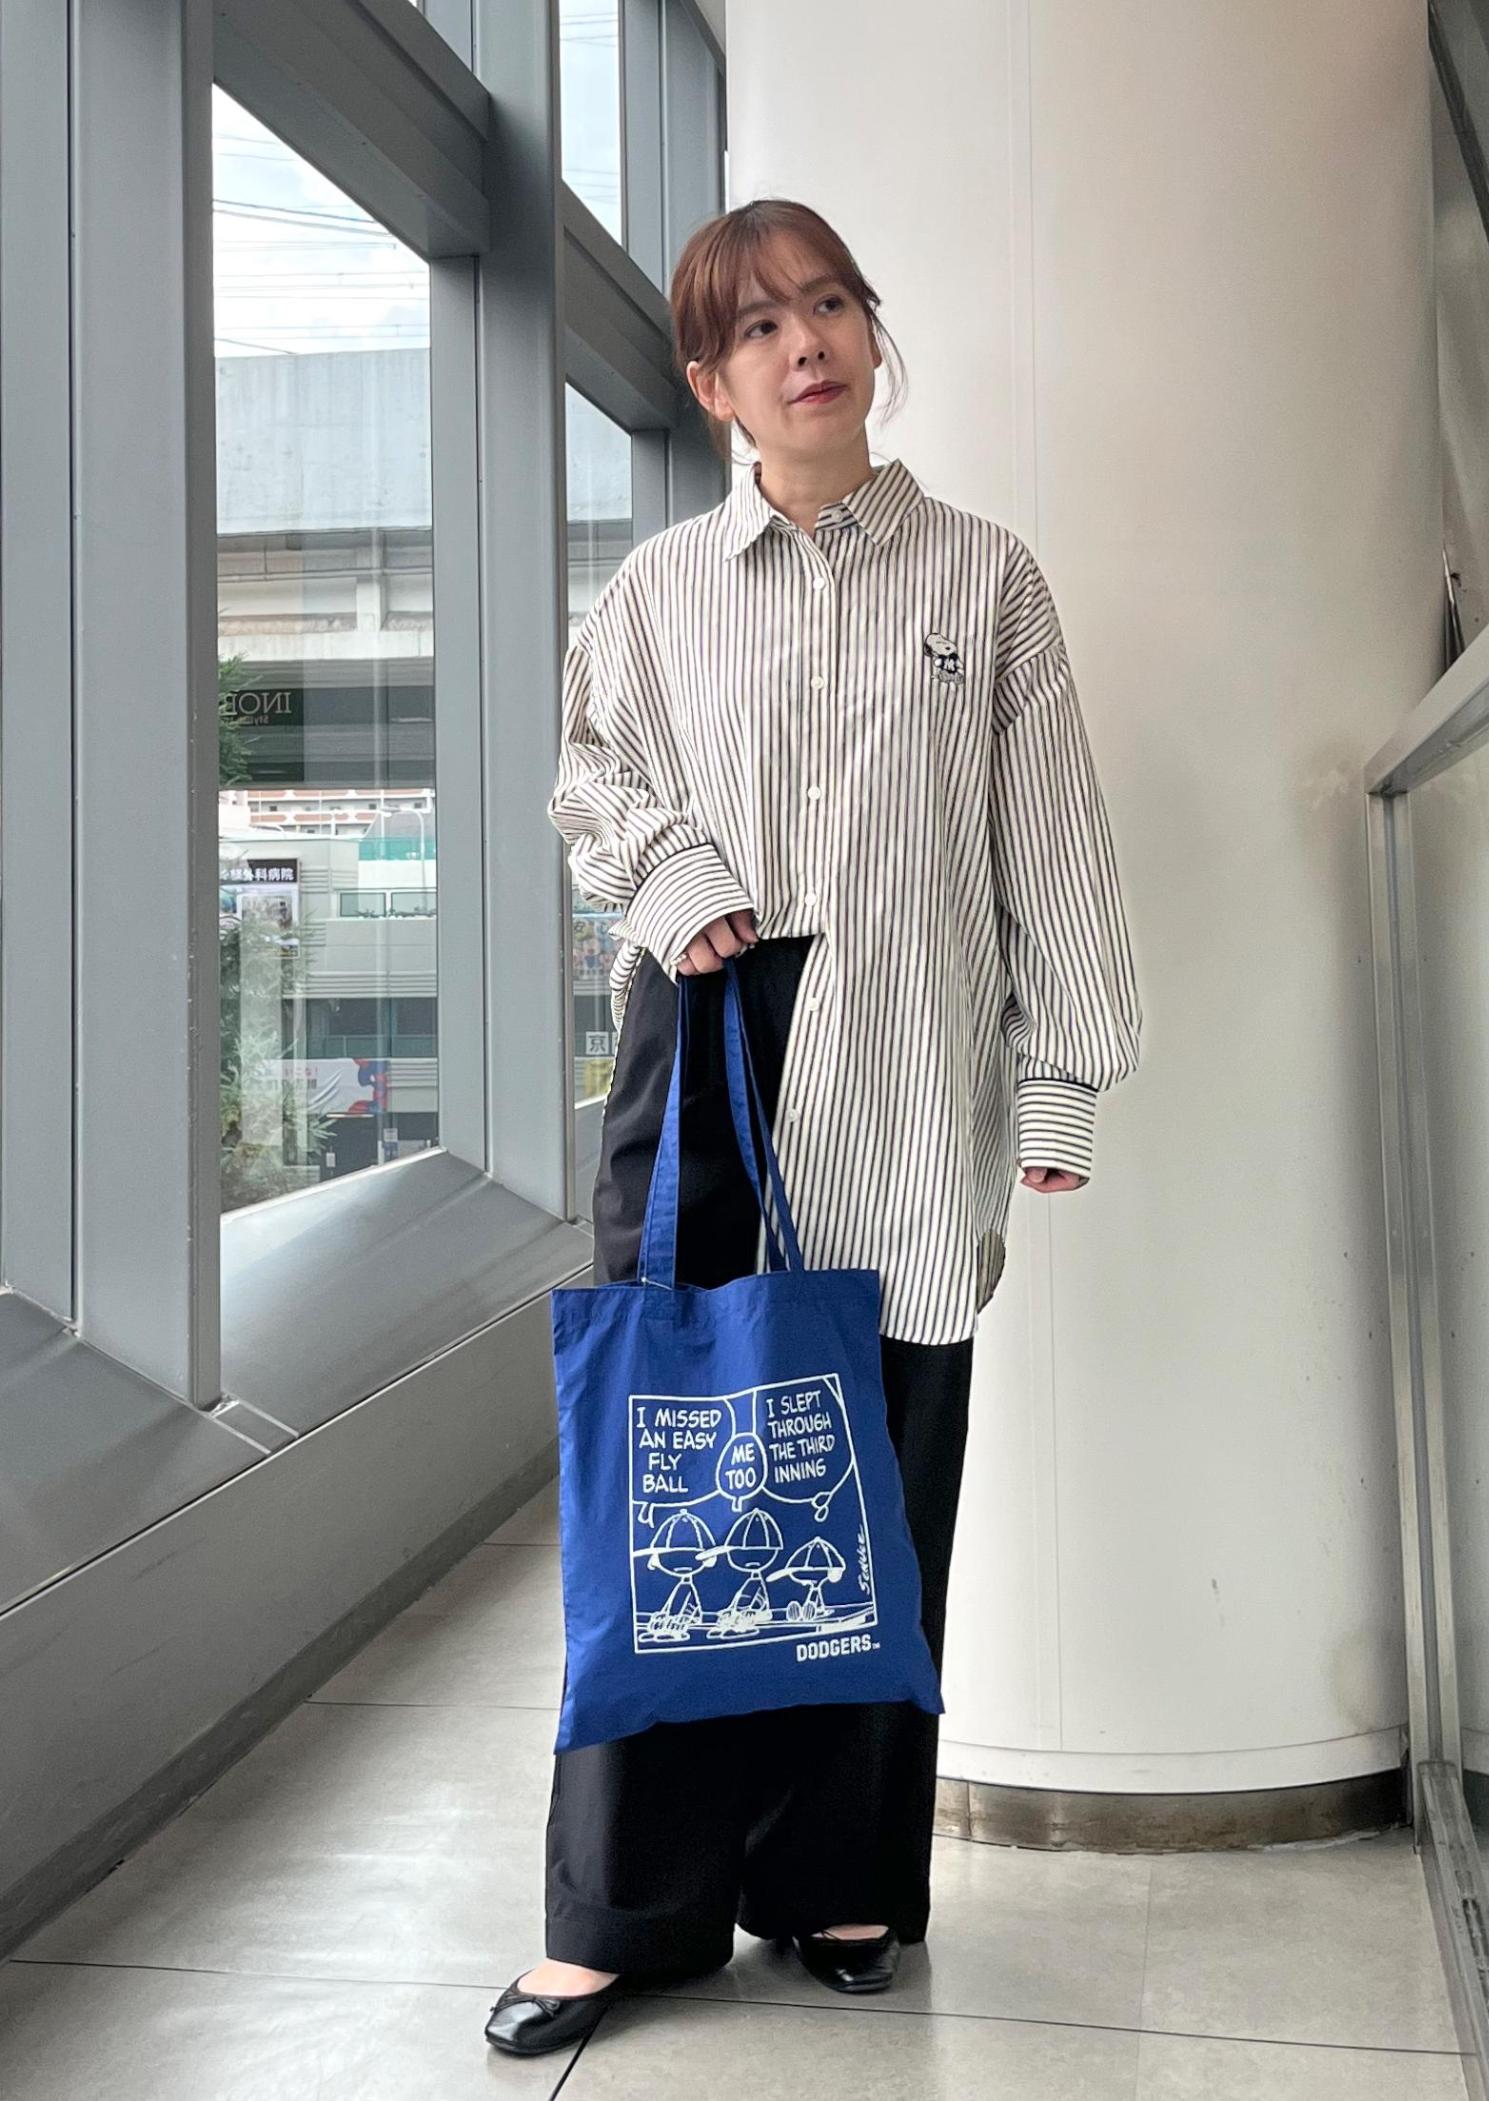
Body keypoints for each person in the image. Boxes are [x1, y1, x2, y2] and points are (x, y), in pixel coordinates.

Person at [485, 196, 1143, 2058]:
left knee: (878, 1490)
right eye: (762, 327)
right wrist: (673, 866)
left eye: (831, 305)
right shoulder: (658, 591)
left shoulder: (986, 580)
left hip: (909, 1086)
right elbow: (586, 775)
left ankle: (841, 1876)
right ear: (713, 384)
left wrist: (1061, 1072)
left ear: (869, 333)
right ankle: (621, 1912)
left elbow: (1052, 840)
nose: (807, 344)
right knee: (673, 1488)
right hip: (701, 1067)